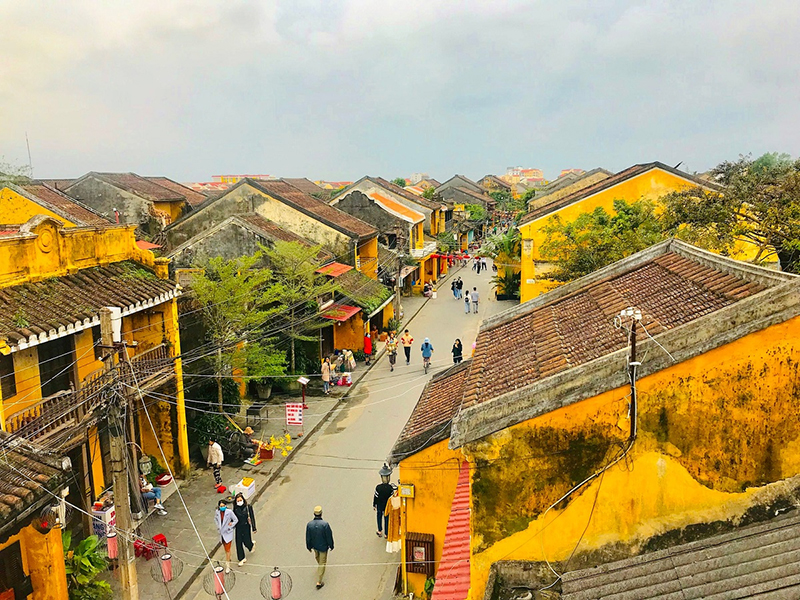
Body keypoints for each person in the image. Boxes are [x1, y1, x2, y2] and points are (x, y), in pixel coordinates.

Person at [306, 506, 334, 590]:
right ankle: (319, 581)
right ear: (321, 514)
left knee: (317, 558)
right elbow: (329, 536)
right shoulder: (325, 524)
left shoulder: (309, 525)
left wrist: (309, 546)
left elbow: (308, 537)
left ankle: (320, 570)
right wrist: (331, 545)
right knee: (322, 563)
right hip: (323, 547)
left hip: (315, 546)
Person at [233, 492, 257, 566]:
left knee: (246, 541)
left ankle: (251, 545)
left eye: (240, 500)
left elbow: (252, 517)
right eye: (238, 501)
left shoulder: (248, 507)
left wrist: (254, 527)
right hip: (238, 527)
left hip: (246, 526)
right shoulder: (235, 509)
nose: (239, 502)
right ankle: (241, 558)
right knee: (238, 542)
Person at [215, 499, 238, 573]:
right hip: (221, 533)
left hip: (228, 532)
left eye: (223, 506)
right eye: (221, 506)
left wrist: (230, 526)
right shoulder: (217, 512)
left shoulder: (229, 512)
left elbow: (235, 520)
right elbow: (216, 519)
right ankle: (229, 558)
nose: (222, 507)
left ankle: (228, 565)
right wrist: (218, 526)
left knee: (227, 549)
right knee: (225, 548)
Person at [373, 464, 396, 538]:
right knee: (387, 518)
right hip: (387, 505)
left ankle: (379, 530)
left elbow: (375, 497)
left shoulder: (378, 487)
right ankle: (386, 533)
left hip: (380, 505)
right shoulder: (390, 488)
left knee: (379, 517)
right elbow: (392, 498)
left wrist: (374, 505)